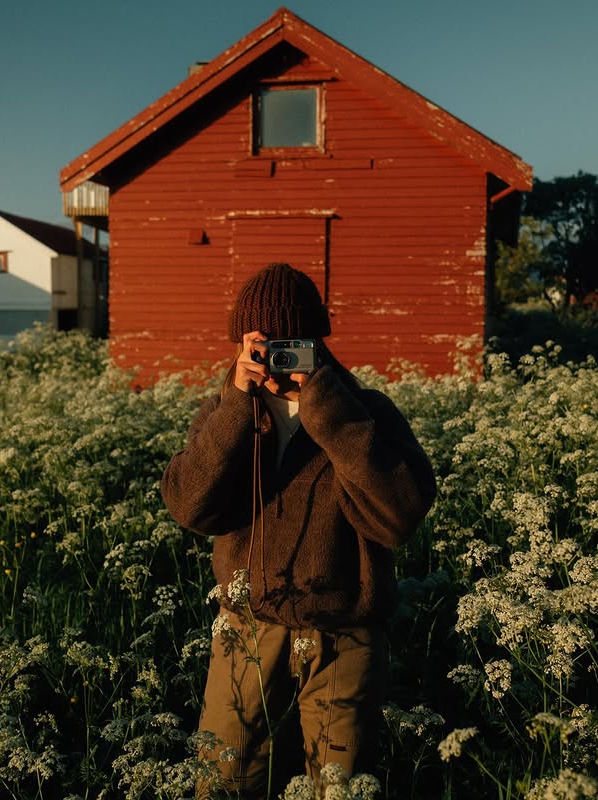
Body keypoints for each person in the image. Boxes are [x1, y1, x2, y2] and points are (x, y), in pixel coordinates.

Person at [161, 262, 436, 797]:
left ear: (316, 341)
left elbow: (400, 516)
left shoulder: (364, 411)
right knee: (223, 783)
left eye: (291, 342)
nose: (276, 355)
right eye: (261, 343)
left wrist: (328, 409)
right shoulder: (226, 410)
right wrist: (236, 408)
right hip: (246, 628)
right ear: (241, 344)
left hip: (343, 633)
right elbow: (189, 506)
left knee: (337, 789)